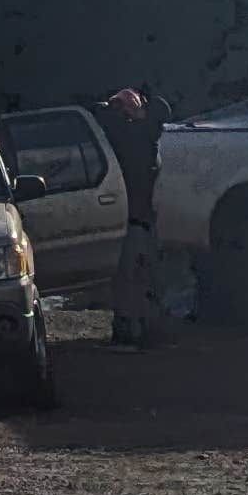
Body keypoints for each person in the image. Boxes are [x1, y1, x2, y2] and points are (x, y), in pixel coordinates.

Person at [99, 86, 166, 346]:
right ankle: (132, 328)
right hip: (134, 217)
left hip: (136, 216)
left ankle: (137, 327)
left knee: (136, 278)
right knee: (133, 278)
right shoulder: (135, 136)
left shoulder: (134, 136)